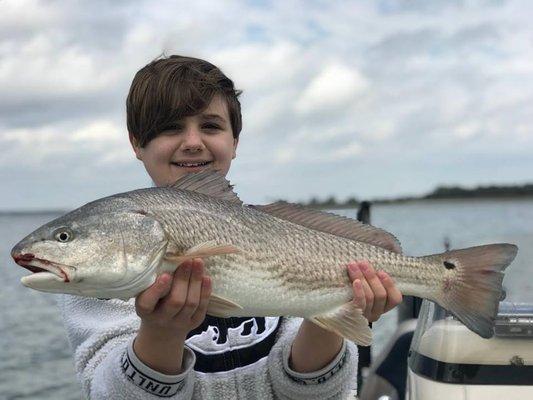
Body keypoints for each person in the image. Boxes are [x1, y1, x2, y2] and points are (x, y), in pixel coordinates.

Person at [58, 55, 403, 399]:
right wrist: (160, 334)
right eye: (170, 127)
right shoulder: (95, 279)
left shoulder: (278, 235)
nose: (192, 141)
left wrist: (331, 314)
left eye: (210, 126)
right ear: (136, 143)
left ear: (234, 142)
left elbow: (313, 393)